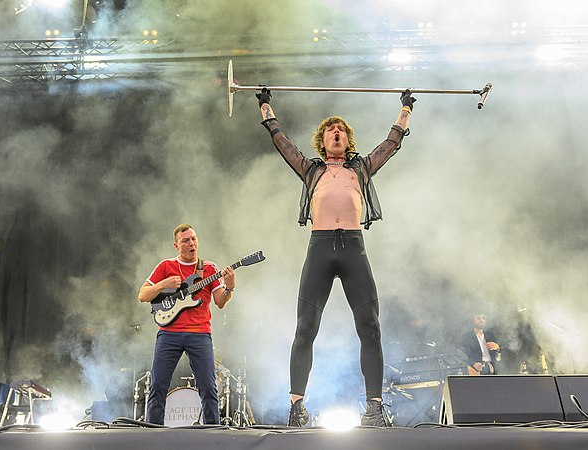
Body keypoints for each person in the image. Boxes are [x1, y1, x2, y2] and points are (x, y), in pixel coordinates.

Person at [256, 87, 415, 427]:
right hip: (320, 247)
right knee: (305, 329)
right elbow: (283, 143)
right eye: (331, 130)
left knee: (370, 328)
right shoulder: (312, 170)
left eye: (341, 130)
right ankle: (297, 407)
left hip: (353, 247)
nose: (337, 133)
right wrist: (266, 110)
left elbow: (390, 145)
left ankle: (374, 408)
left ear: (348, 139)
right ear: (323, 140)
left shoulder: (361, 168)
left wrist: (405, 110)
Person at [138, 224, 236, 425]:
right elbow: (143, 295)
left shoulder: (209, 268)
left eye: (193, 239)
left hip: (200, 333)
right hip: (169, 332)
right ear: (176, 246)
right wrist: (163, 284)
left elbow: (220, 302)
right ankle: (152, 433)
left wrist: (229, 288)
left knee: (208, 387)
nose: (191, 243)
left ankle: (213, 434)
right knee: (158, 386)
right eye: (186, 240)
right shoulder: (165, 266)